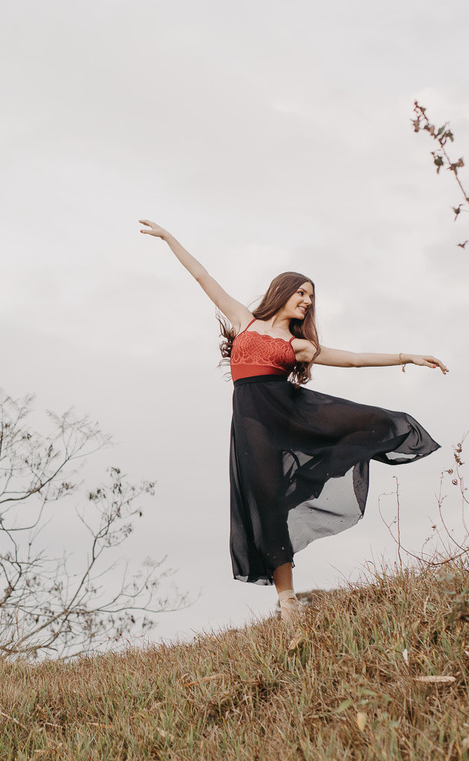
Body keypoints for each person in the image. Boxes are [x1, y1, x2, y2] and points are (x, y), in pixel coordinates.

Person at [139, 220, 447, 624]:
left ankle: (308, 479)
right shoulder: (243, 320)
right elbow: (202, 276)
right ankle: (288, 602)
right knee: (267, 503)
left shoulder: (298, 345)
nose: (306, 301)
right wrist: (168, 238)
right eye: (301, 293)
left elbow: (352, 359)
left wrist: (407, 356)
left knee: (373, 423)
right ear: (282, 292)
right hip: (253, 423)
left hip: (291, 414)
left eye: (311, 297)